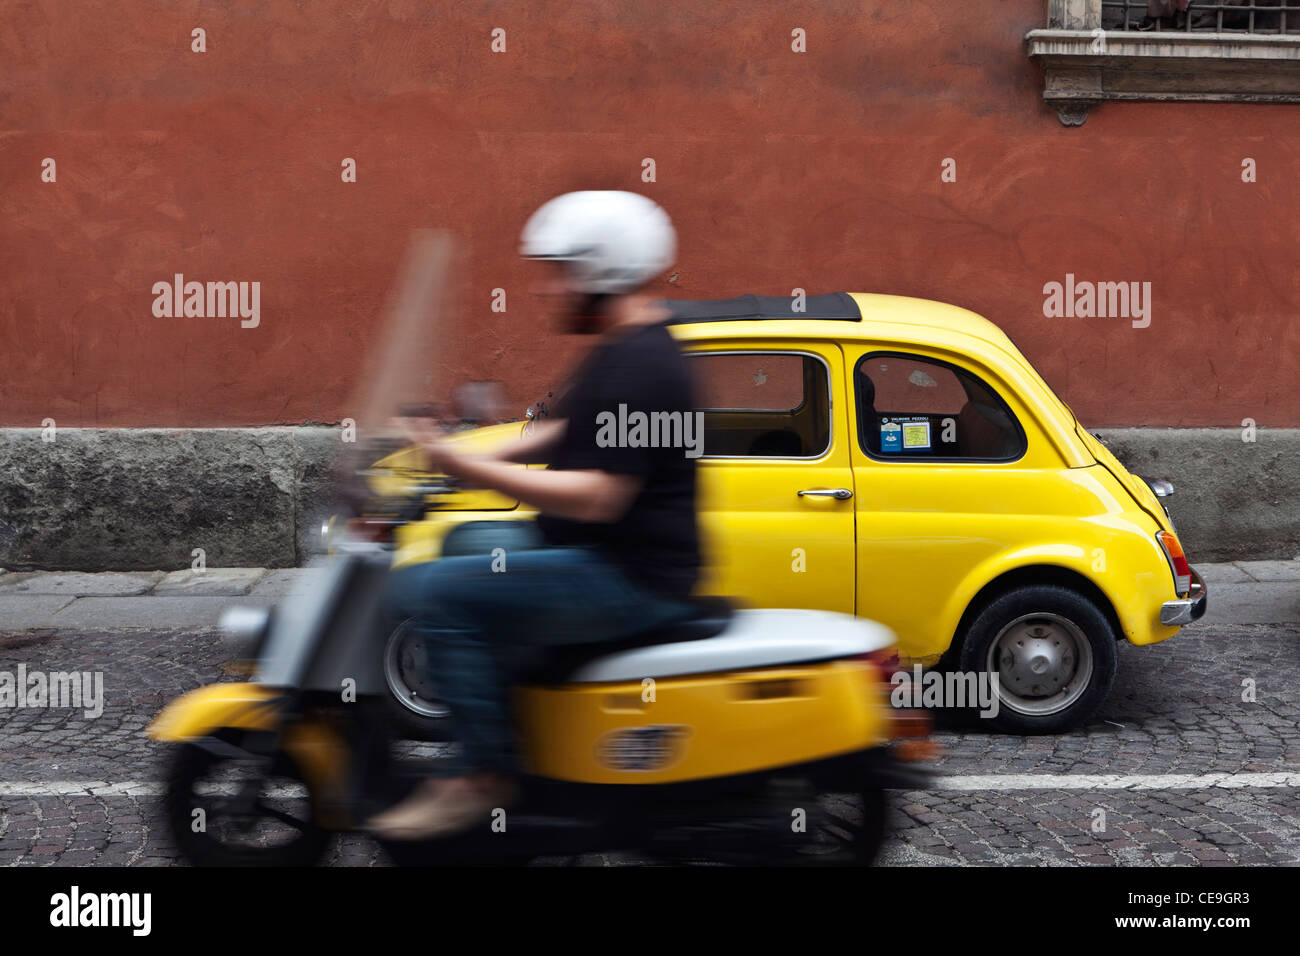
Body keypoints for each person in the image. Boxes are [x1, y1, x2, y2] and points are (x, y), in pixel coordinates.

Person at [365, 191, 702, 840]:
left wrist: (469, 470)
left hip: (628, 576)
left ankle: (480, 774)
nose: (547, 290)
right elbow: (560, 432)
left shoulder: (644, 364)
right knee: (461, 543)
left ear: (598, 273)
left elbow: (602, 497)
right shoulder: (624, 345)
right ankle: (516, 710)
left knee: (443, 594)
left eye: (559, 272)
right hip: (595, 553)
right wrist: (456, 455)